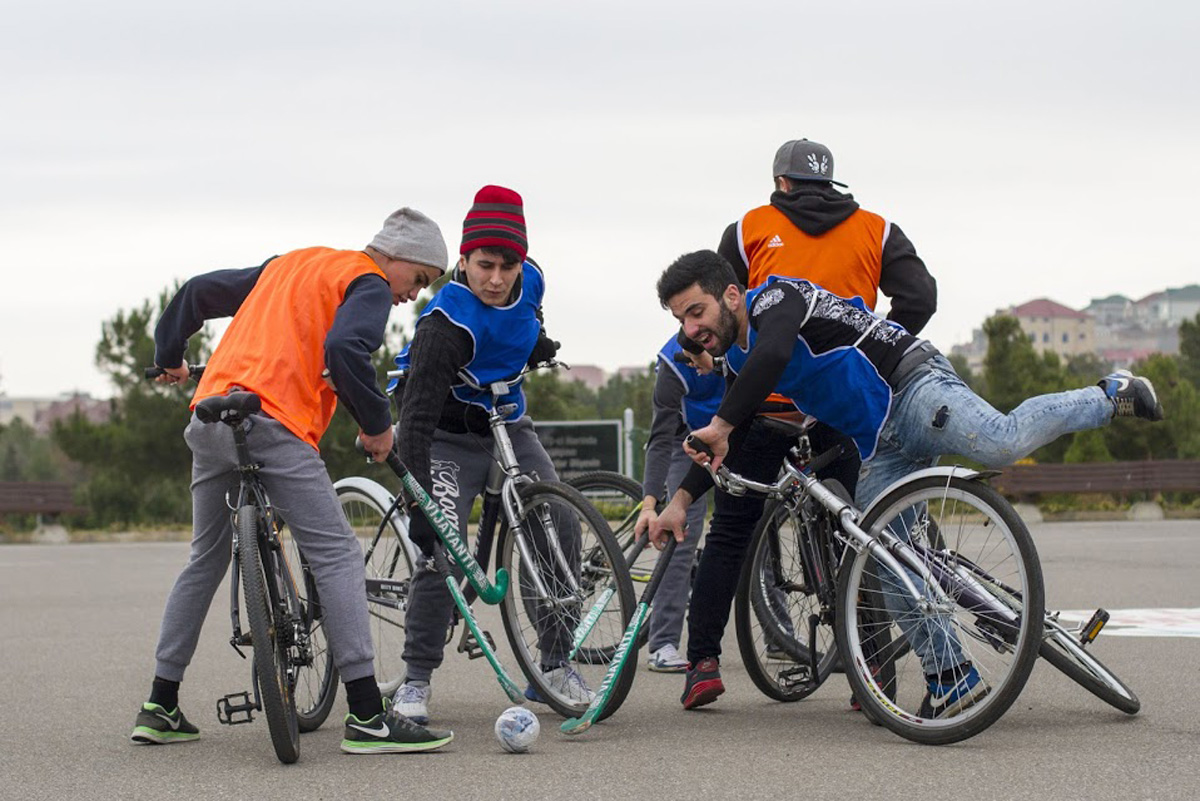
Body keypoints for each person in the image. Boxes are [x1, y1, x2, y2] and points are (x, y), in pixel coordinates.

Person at [649, 249, 1164, 713]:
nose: (692, 329)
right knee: (889, 560)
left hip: (912, 385)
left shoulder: (777, 299)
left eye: (697, 312)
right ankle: (951, 678)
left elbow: (775, 355)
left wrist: (721, 424)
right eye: (681, 320)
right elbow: (726, 439)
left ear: (732, 295)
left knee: (1000, 441)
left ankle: (1108, 393)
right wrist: (680, 501)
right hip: (880, 443)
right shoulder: (740, 359)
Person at [135, 208, 456, 754]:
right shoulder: (368, 281)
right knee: (336, 554)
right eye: (419, 279)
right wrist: (378, 427)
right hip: (274, 421)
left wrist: (170, 357)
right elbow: (345, 351)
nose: (411, 295)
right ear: (397, 256)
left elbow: (195, 294)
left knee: (204, 559)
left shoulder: (290, 265)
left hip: (210, 415)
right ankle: (366, 717)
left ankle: (160, 704)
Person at [666, 139, 940, 707]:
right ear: (831, 182)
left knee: (731, 529)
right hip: (840, 400)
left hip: (763, 402)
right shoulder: (876, 228)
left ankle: (703, 664)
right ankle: (875, 678)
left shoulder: (749, 227)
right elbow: (920, 296)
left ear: (781, 183)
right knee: (861, 534)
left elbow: (723, 309)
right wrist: (871, 347)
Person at [387, 185, 582, 725]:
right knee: (439, 554)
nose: (497, 279)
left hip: (506, 422)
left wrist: (538, 341)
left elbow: (527, 316)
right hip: (443, 433)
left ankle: (554, 662)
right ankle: (415, 680)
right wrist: (419, 505)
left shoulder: (532, 279)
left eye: (507, 265)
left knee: (559, 518)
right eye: (484, 265)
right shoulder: (445, 324)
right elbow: (417, 424)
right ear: (464, 262)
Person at [632, 335, 725, 672]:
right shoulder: (672, 364)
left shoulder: (743, 340)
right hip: (684, 443)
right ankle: (663, 643)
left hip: (733, 434)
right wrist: (649, 504)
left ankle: (779, 636)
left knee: (756, 524)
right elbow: (659, 438)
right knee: (681, 534)